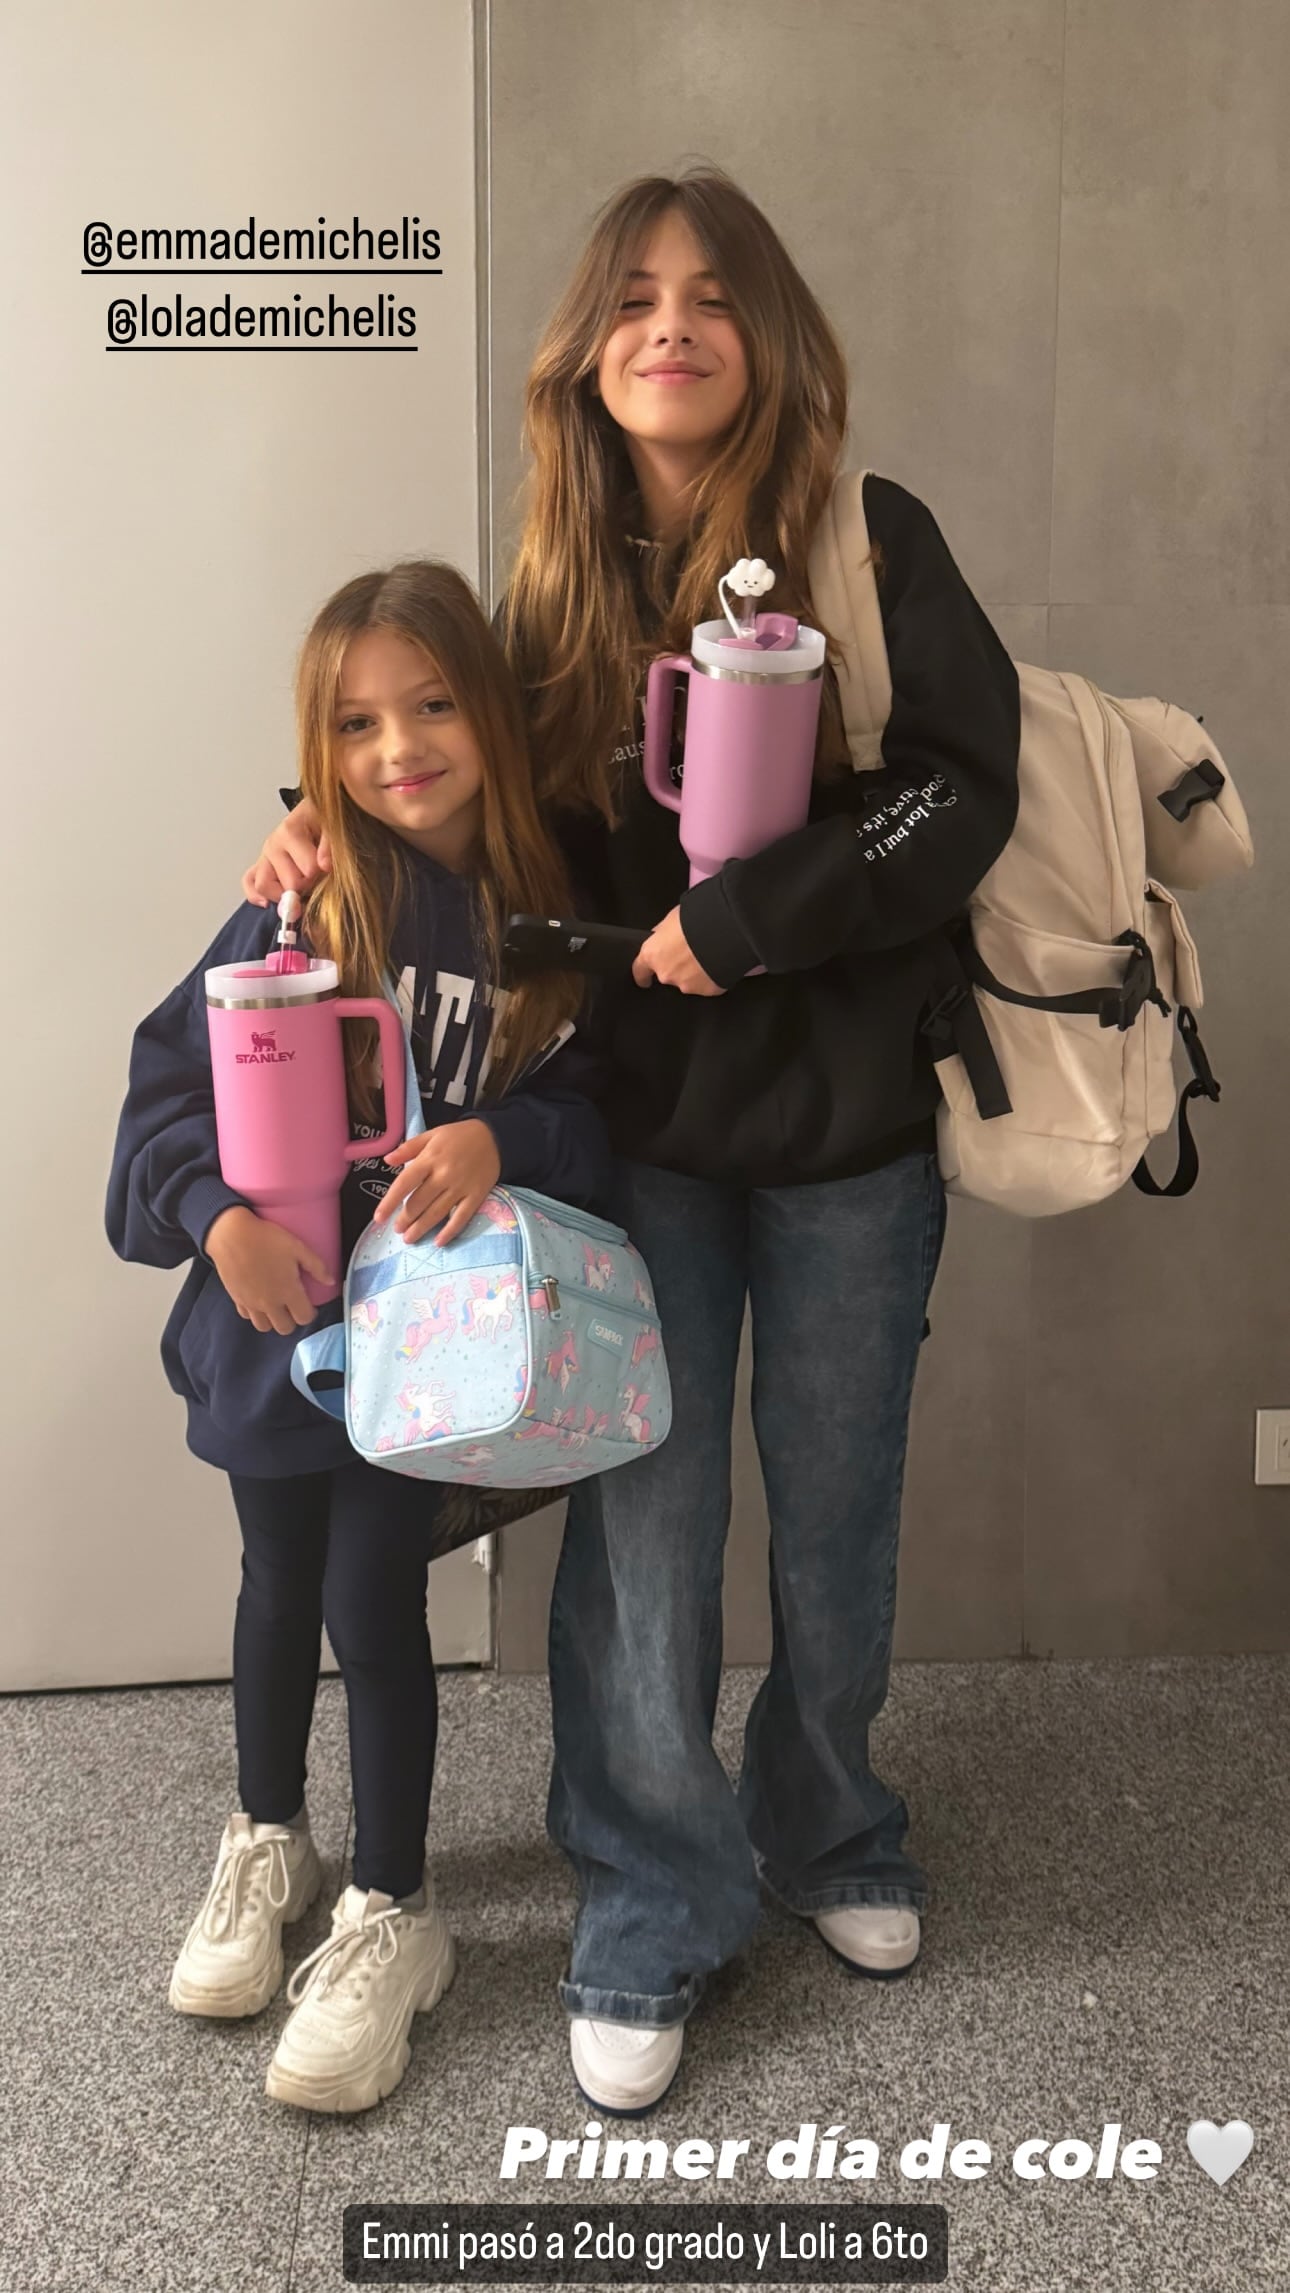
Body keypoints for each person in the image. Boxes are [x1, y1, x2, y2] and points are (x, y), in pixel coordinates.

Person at [243, 169, 1022, 2115]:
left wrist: (750, 917)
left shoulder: (866, 541)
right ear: (590, 354)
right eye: (634, 299)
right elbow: (449, 804)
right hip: (637, 1141)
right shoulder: (554, 589)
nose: (671, 324)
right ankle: (654, 1894)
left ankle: (832, 1826)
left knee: (835, 1524)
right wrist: (307, 832)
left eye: (713, 296)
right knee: (650, 1540)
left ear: (769, 338)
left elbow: (964, 792)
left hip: (852, 1130)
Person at [108, 561, 609, 2114]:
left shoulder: (551, 908)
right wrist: (217, 1221)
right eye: (359, 721)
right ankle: (271, 1839)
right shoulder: (305, 894)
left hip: (428, 1344)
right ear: (319, 748)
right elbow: (164, 1093)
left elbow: (609, 1117)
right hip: (275, 1325)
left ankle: (392, 1906)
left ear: (494, 711)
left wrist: (501, 1140)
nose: (400, 745)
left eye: (435, 703)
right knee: (274, 1589)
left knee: (367, 1595)